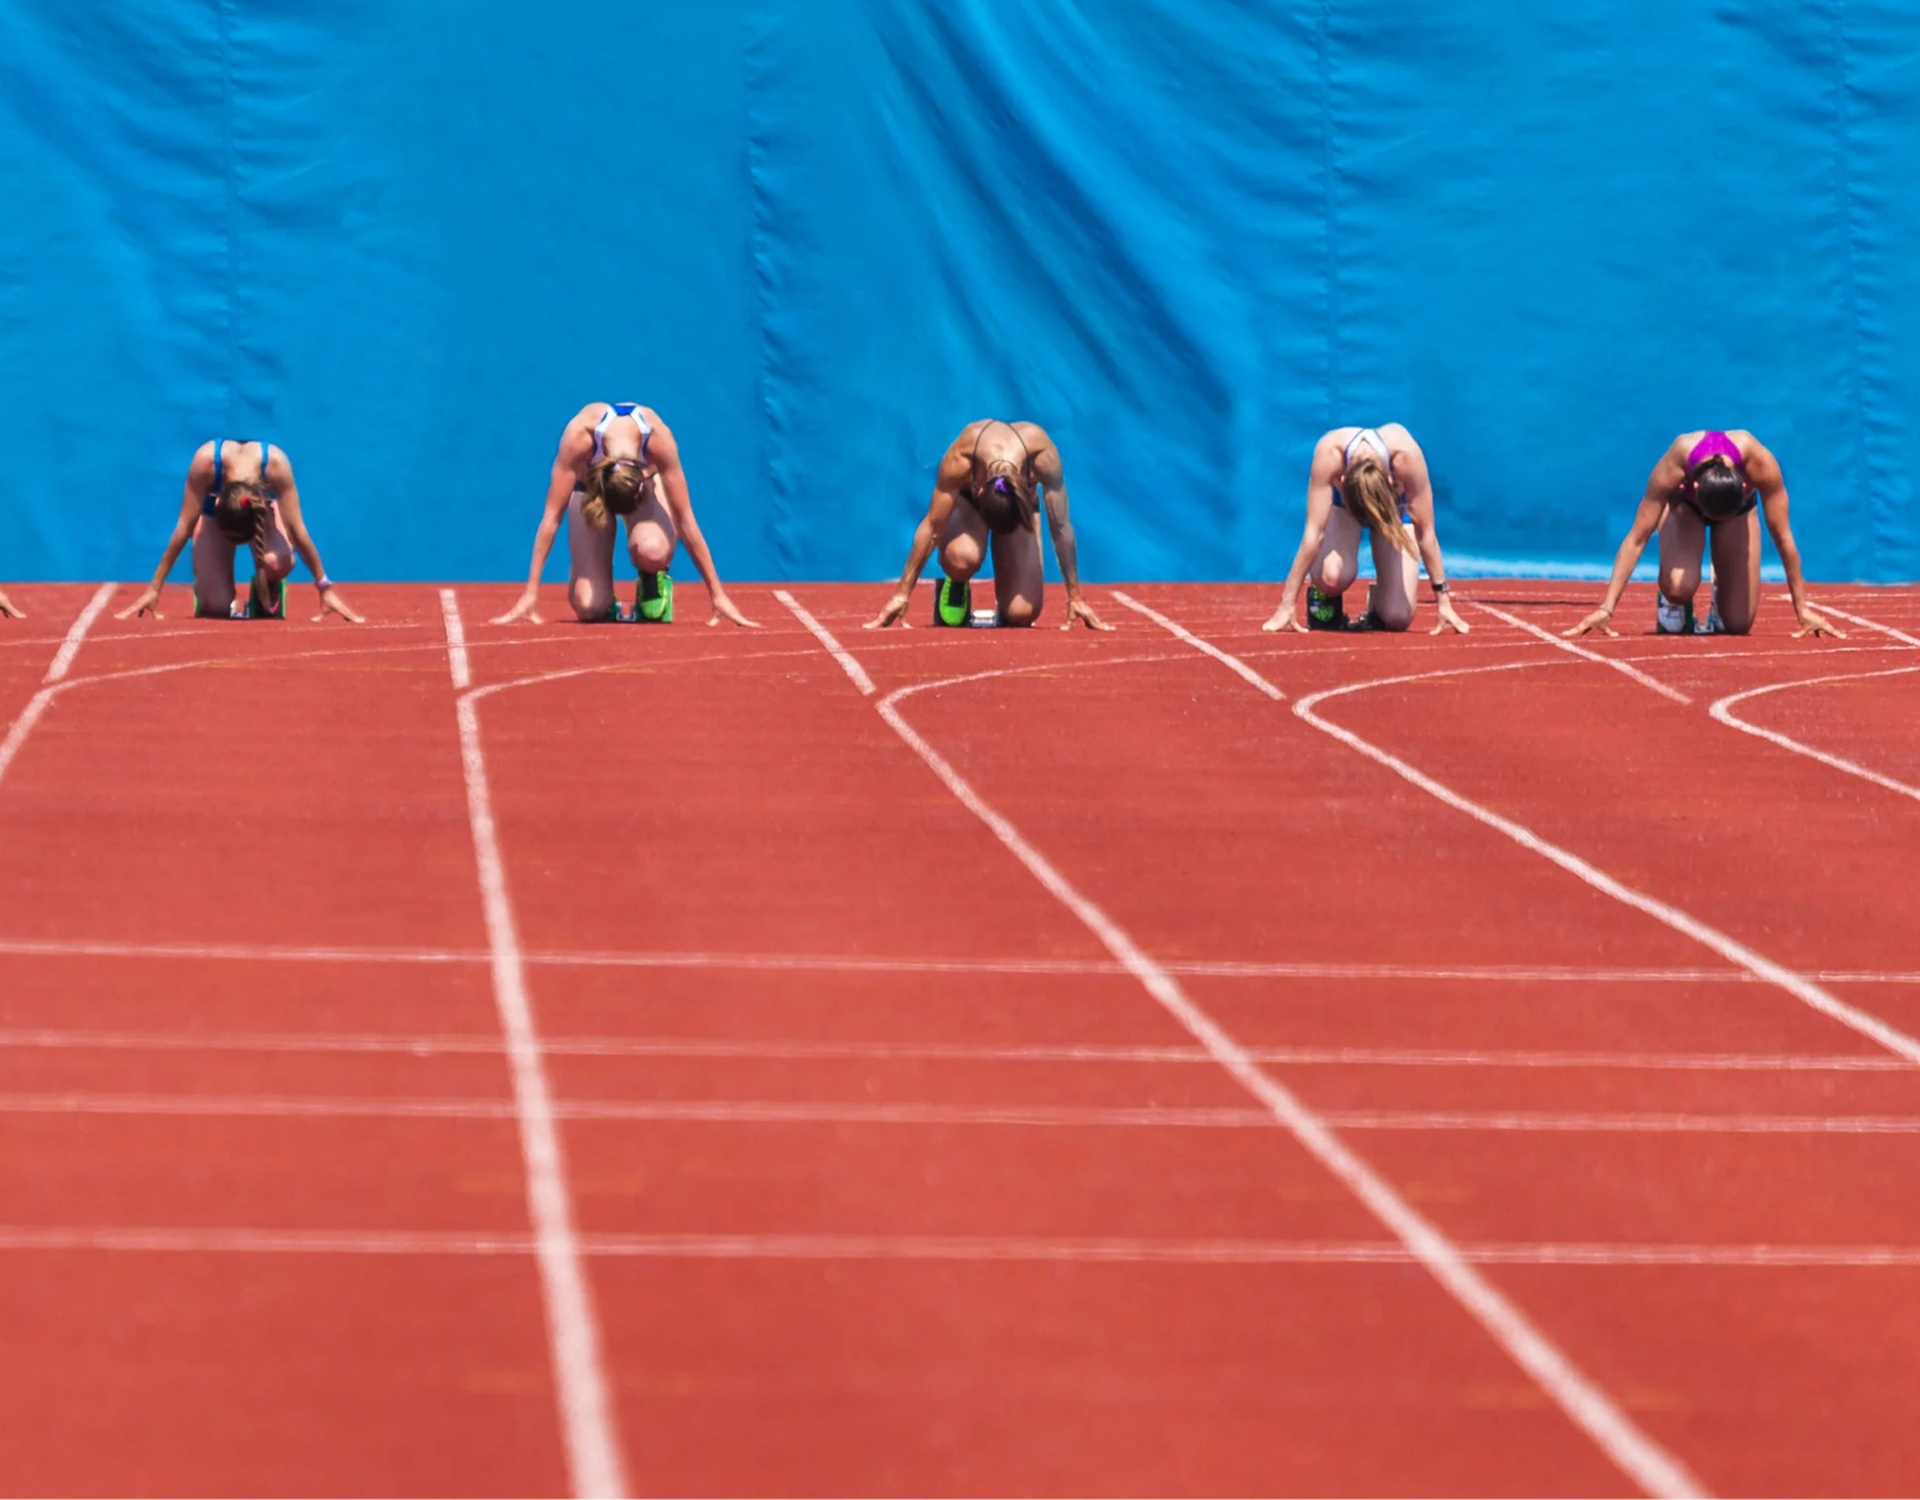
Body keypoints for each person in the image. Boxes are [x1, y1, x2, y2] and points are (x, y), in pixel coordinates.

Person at [493, 402, 755, 626]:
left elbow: (686, 520)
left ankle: (652, 577)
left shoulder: (657, 437)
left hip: (646, 492)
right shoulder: (578, 437)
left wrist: (717, 594)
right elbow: (551, 518)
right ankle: (600, 591)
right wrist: (530, 592)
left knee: (652, 550)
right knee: (589, 606)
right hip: (590, 494)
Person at [1566, 430, 1839, 638]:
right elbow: (1637, 538)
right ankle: (1672, 599)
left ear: (1744, 484)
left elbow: (1784, 540)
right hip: (1686, 511)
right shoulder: (1676, 461)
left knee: (1738, 625)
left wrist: (1802, 609)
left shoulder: (1761, 465)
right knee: (1678, 588)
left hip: (1739, 516)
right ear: (1694, 484)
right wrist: (1606, 608)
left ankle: (1723, 584)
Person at [867, 419, 1109, 629]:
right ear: (979, 489)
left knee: (1021, 614)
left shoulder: (1041, 456)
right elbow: (932, 526)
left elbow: (1061, 527)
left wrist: (1075, 597)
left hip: (1017, 512)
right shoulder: (962, 458)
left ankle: (1008, 596)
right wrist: (902, 594)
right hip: (968, 505)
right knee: (962, 559)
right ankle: (957, 580)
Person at [119, 440, 362, 621]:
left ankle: (267, 587)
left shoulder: (275, 464)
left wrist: (324, 588)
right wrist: (154, 588)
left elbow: (298, 530)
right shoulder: (205, 461)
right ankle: (210, 588)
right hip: (215, 518)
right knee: (215, 606)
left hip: (260, 514)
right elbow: (183, 527)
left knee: (277, 562)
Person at [1263, 424, 1469, 634]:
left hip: (1391, 513)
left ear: (1391, 481)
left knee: (1397, 617)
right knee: (1332, 577)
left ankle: (1379, 601)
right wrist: (1287, 604)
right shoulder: (1329, 452)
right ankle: (1321, 589)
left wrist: (1443, 602)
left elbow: (1426, 535)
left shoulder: (1407, 457)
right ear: (1342, 481)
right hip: (1344, 510)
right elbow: (1313, 534)